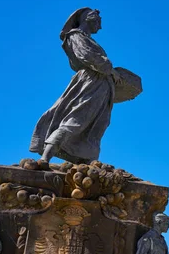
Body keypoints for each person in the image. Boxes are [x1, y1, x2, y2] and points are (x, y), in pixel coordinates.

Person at [29, 8, 122, 164]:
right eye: (99, 23)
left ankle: (85, 162)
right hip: (91, 82)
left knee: (96, 125)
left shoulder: (86, 38)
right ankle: (45, 157)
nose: (100, 27)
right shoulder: (75, 36)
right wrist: (110, 70)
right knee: (76, 118)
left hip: (101, 84)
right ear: (88, 19)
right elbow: (88, 56)